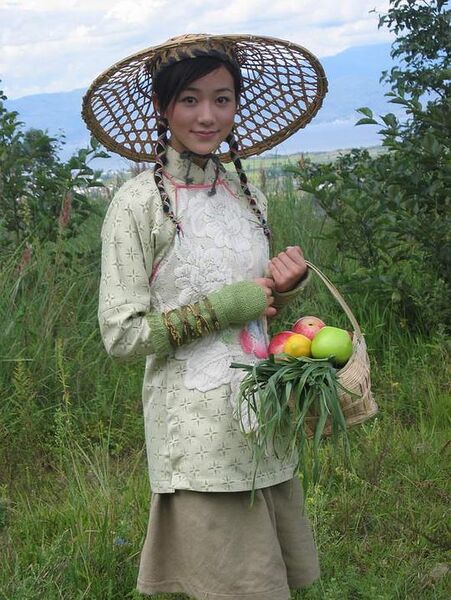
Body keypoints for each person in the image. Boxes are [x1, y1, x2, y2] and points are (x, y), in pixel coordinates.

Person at [82, 33, 328, 600]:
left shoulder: (245, 195)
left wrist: (282, 289)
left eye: (222, 98)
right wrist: (221, 309)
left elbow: (254, 313)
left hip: (262, 418)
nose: (207, 116)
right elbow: (121, 335)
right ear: (162, 107)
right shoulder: (138, 204)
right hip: (197, 432)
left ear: (237, 104)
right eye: (189, 99)